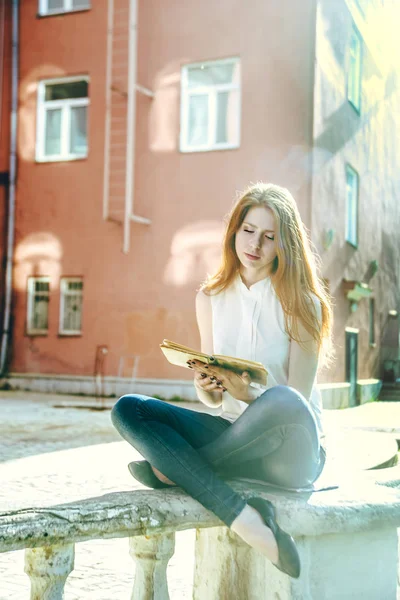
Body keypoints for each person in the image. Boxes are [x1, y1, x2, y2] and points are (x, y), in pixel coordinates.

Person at [111, 182, 333, 579]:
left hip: (292, 452)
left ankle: (177, 469)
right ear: (234, 231)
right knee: (129, 409)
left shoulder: (305, 304)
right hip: (236, 438)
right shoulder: (211, 298)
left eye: (269, 237)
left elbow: (296, 404)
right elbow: (212, 399)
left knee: (281, 399)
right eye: (248, 230)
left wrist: (252, 394)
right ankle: (245, 519)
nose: (255, 245)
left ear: (286, 244)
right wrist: (208, 387)